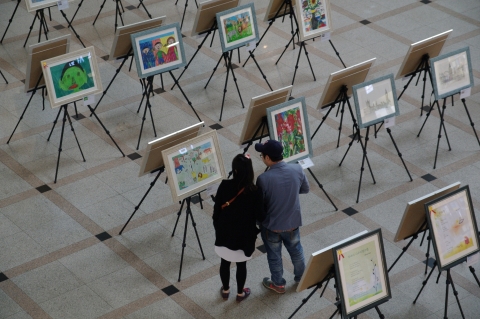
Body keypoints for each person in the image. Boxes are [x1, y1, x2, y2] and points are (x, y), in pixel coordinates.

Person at [255, 140, 309, 294]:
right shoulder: (297, 169)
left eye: (262, 155)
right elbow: (305, 189)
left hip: (271, 226)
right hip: (292, 223)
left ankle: (278, 284)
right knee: (297, 251)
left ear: (267, 158)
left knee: (274, 256)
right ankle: (301, 278)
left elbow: (261, 203)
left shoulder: (263, 179)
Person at [213, 154, 264, 302]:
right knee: (241, 265)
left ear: (235, 170)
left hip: (225, 234)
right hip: (245, 236)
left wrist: (218, 227)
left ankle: (226, 290)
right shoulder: (256, 191)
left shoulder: (224, 185)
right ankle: (241, 293)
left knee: (224, 263)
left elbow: (216, 211)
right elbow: (260, 216)